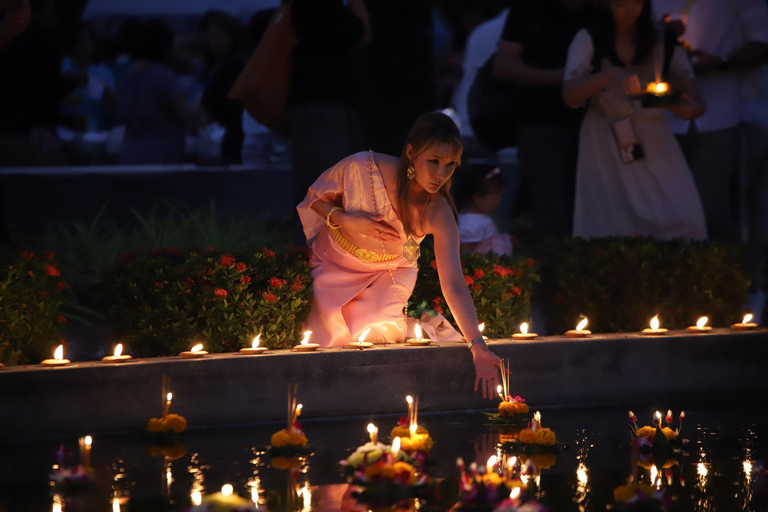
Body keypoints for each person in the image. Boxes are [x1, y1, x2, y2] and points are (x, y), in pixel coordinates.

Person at [297, 112, 502, 398]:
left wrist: (478, 347)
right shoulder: (362, 168)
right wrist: (344, 219)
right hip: (335, 264)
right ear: (411, 153)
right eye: (433, 161)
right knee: (327, 335)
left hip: (390, 273)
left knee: (376, 326)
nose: (441, 174)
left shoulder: (439, 212)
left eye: (450, 164)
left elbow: (453, 283)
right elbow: (315, 198)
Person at [562, 0, 708, 240]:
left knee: (680, 213)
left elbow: (694, 100)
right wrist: (607, 76)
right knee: (611, 220)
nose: (629, 10)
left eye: (636, 3)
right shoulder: (591, 37)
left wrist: (678, 105)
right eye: (620, 4)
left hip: (653, 135)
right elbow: (570, 94)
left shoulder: (662, 40)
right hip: (606, 135)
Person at [652, 0, 768, 242]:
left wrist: (722, 63)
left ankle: (732, 274)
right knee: (665, 212)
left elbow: (762, 43)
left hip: (719, 115)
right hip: (661, 119)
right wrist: (662, 38)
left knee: (710, 211)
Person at [493, 0, 596, 245]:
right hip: (542, 124)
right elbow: (503, 66)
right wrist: (563, 79)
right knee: (551, 212)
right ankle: (549, 271)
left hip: (595, 124)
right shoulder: (530, 9)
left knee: (594, 210)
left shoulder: (601, 11)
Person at [116, 19, 199, 165]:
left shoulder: (127, 75)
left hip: (129, 149)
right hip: (160, 154)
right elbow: (182, 115)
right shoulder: (165, 76)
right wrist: (199, 104)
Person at [455, 165, 513, 256]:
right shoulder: (470, 223)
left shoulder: (480, 216)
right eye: (496, 198)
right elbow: (466, 253)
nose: (500, 202)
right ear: (477, 197)